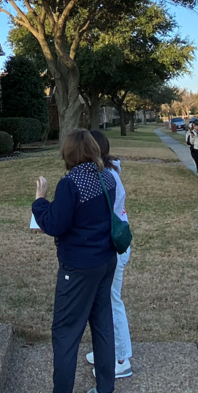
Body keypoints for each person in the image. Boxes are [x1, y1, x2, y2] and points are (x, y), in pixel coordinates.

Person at [26, 130, 119, 393]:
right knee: (102, 326)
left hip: (77, 268)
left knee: (65, 334)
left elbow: (55, 224)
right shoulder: (108, 178)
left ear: (67, 153)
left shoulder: (71, 183)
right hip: (105, 261)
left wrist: (39, 200)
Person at [84, 130, 133, 379]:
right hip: (113, 243)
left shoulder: (107, 175)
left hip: (114, 245)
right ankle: (108, 350)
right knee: (103, 301)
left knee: (113, 301)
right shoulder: (109, 171)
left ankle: (121, 358)